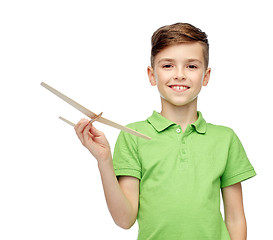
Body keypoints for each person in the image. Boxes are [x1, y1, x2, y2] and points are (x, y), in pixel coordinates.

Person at [74, 22, 256, 240]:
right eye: (168, 65)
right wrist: (104, 161)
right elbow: (125, 220)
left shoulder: (225, 139)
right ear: (152, 75)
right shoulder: (133, 136)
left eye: (191, 66)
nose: (179, 75)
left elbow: (235, 218)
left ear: (206, 76)